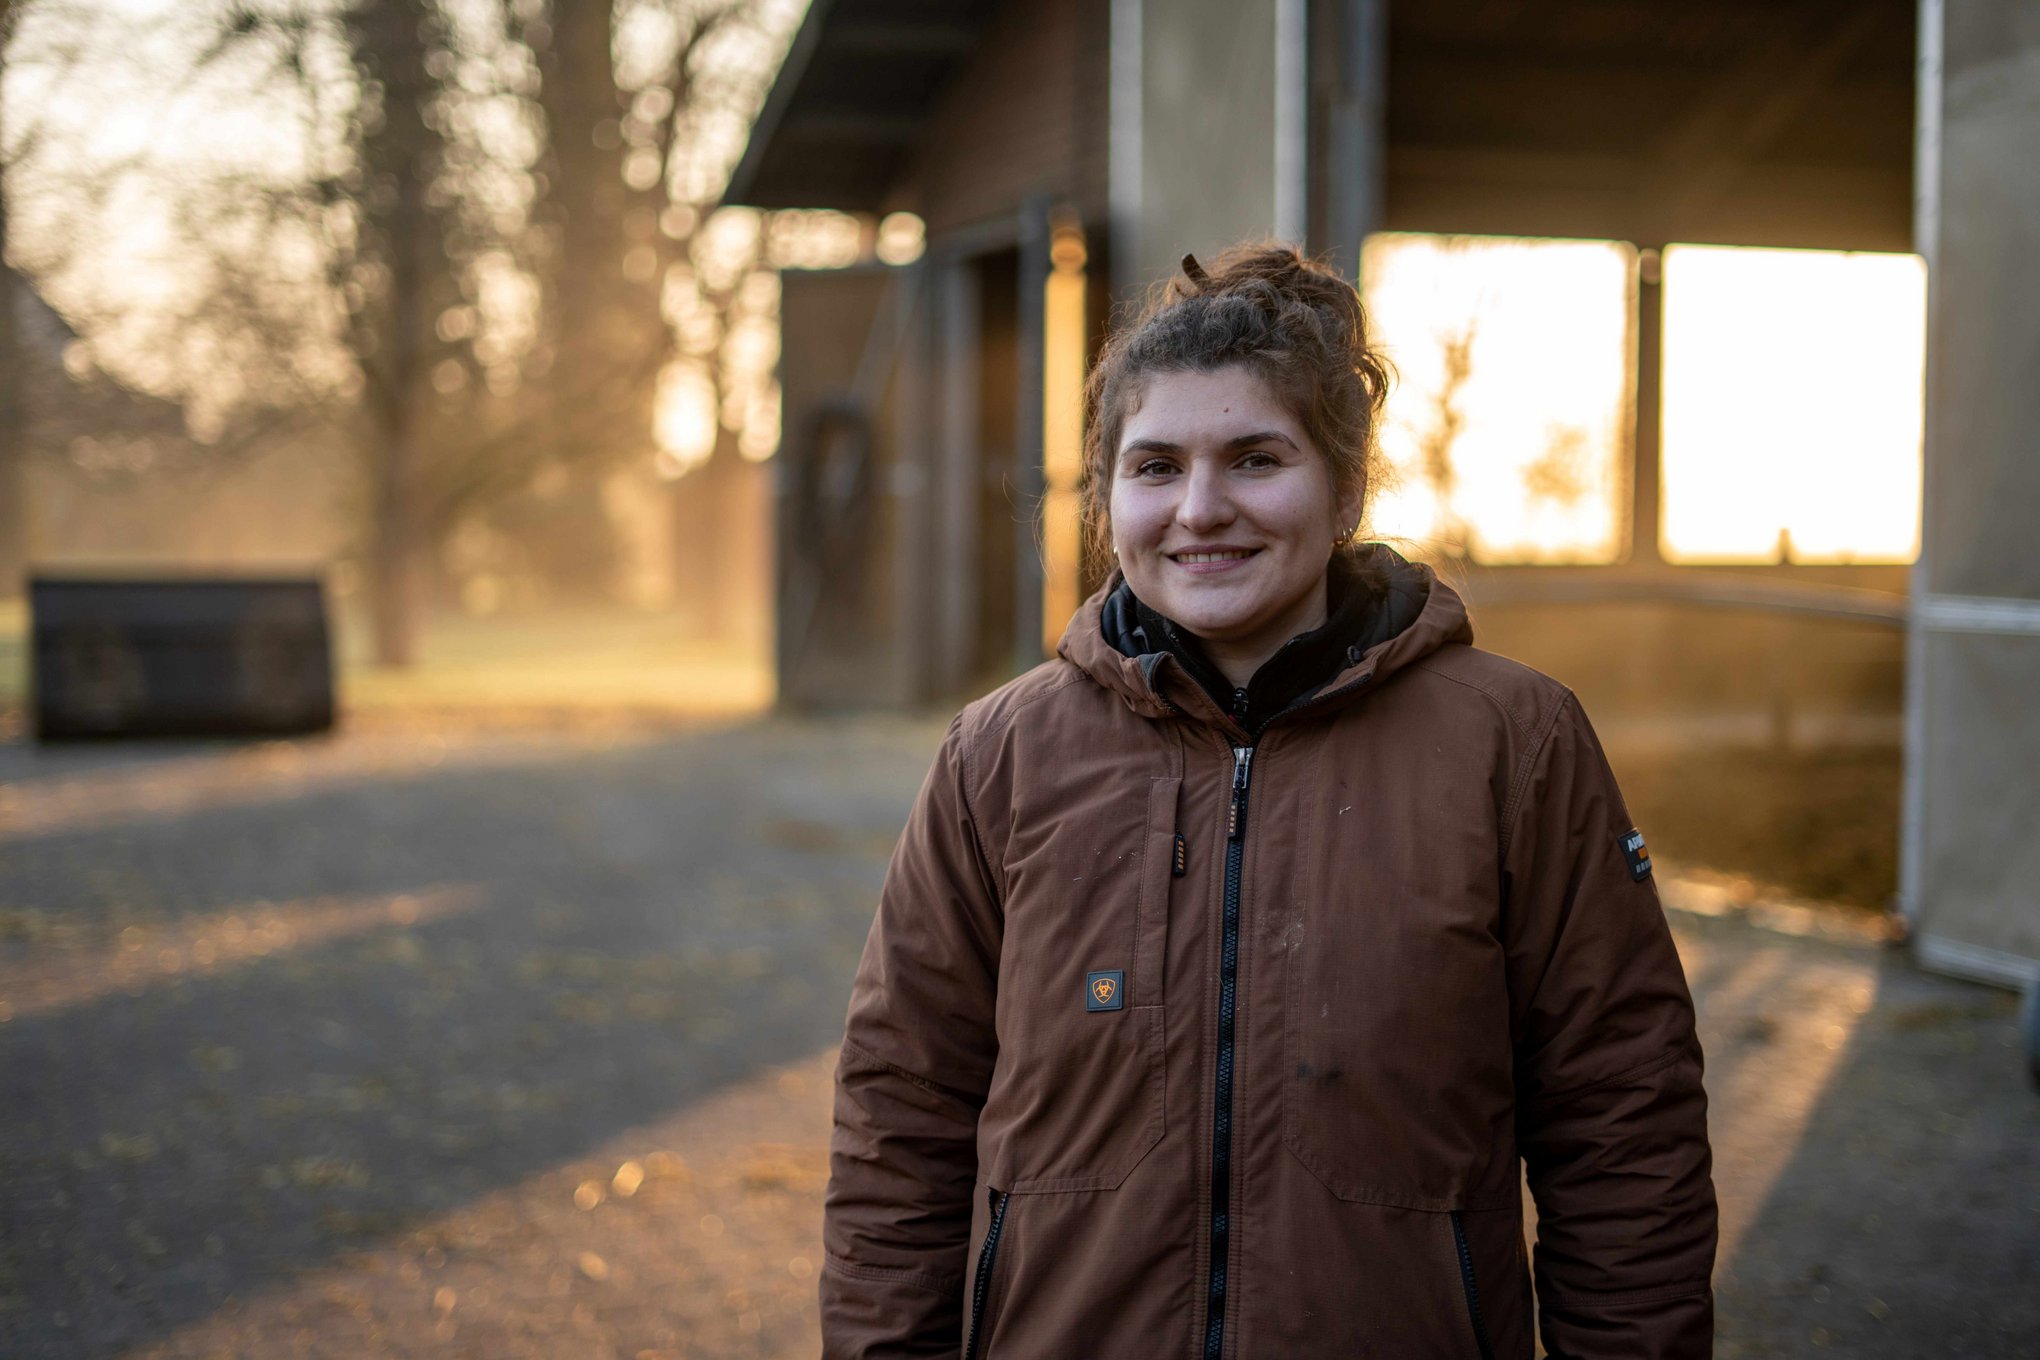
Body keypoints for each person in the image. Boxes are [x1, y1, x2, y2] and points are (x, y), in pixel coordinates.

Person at [818, 242, 1717, 1359]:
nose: (1201, 509)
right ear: (1107, 501)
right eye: (1155, 467)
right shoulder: (997, 758)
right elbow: (900, 1115)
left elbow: (1624, 1121)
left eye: (1255, 459)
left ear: (1346, 489)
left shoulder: (1513, 745)